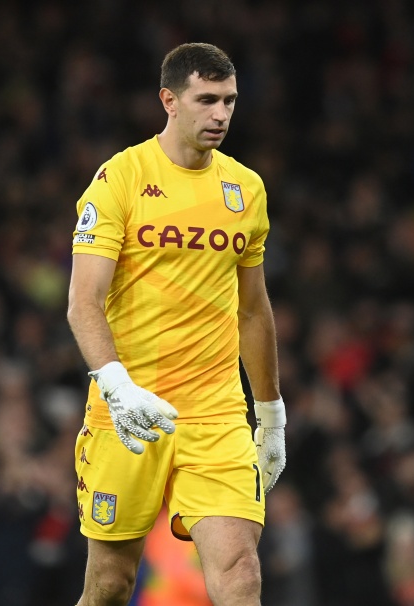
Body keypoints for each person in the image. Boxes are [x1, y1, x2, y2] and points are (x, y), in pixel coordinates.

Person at [66, 42, 286, 606]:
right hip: (128, 410)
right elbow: (83, 302)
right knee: (110, 584)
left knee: (240, 571)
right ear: (169, 100)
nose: (221, 114)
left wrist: (271, 415)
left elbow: (253, 309)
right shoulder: (120, 178)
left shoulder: (247, 190)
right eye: (206, 100)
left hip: (215, 413)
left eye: (229, 101)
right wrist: (117, 388)